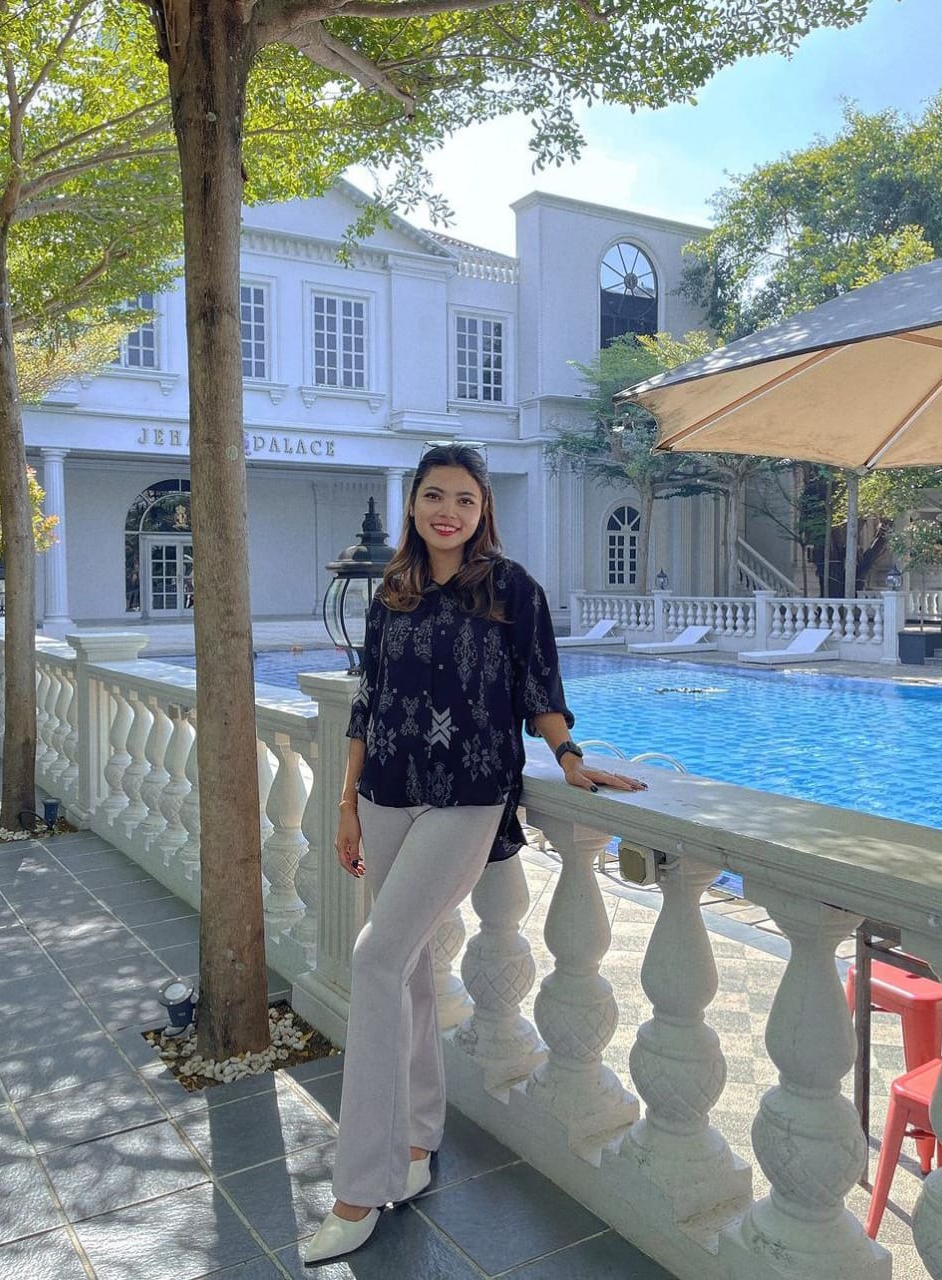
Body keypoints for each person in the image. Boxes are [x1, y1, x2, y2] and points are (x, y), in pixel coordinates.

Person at [303, 443, 646, 1264]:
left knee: (376, 958)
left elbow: (539, 688)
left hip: (468, 794)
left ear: (483, 508)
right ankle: (416, 1139)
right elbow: (367, 704)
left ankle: (359, 1186)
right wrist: (345, 804)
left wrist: (568, 756)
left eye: (463, 498)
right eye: (433, 496)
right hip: (385, 792)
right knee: (408, 967)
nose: (447, 511)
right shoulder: (390, 592)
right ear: (413, 504)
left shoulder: (511, 588)